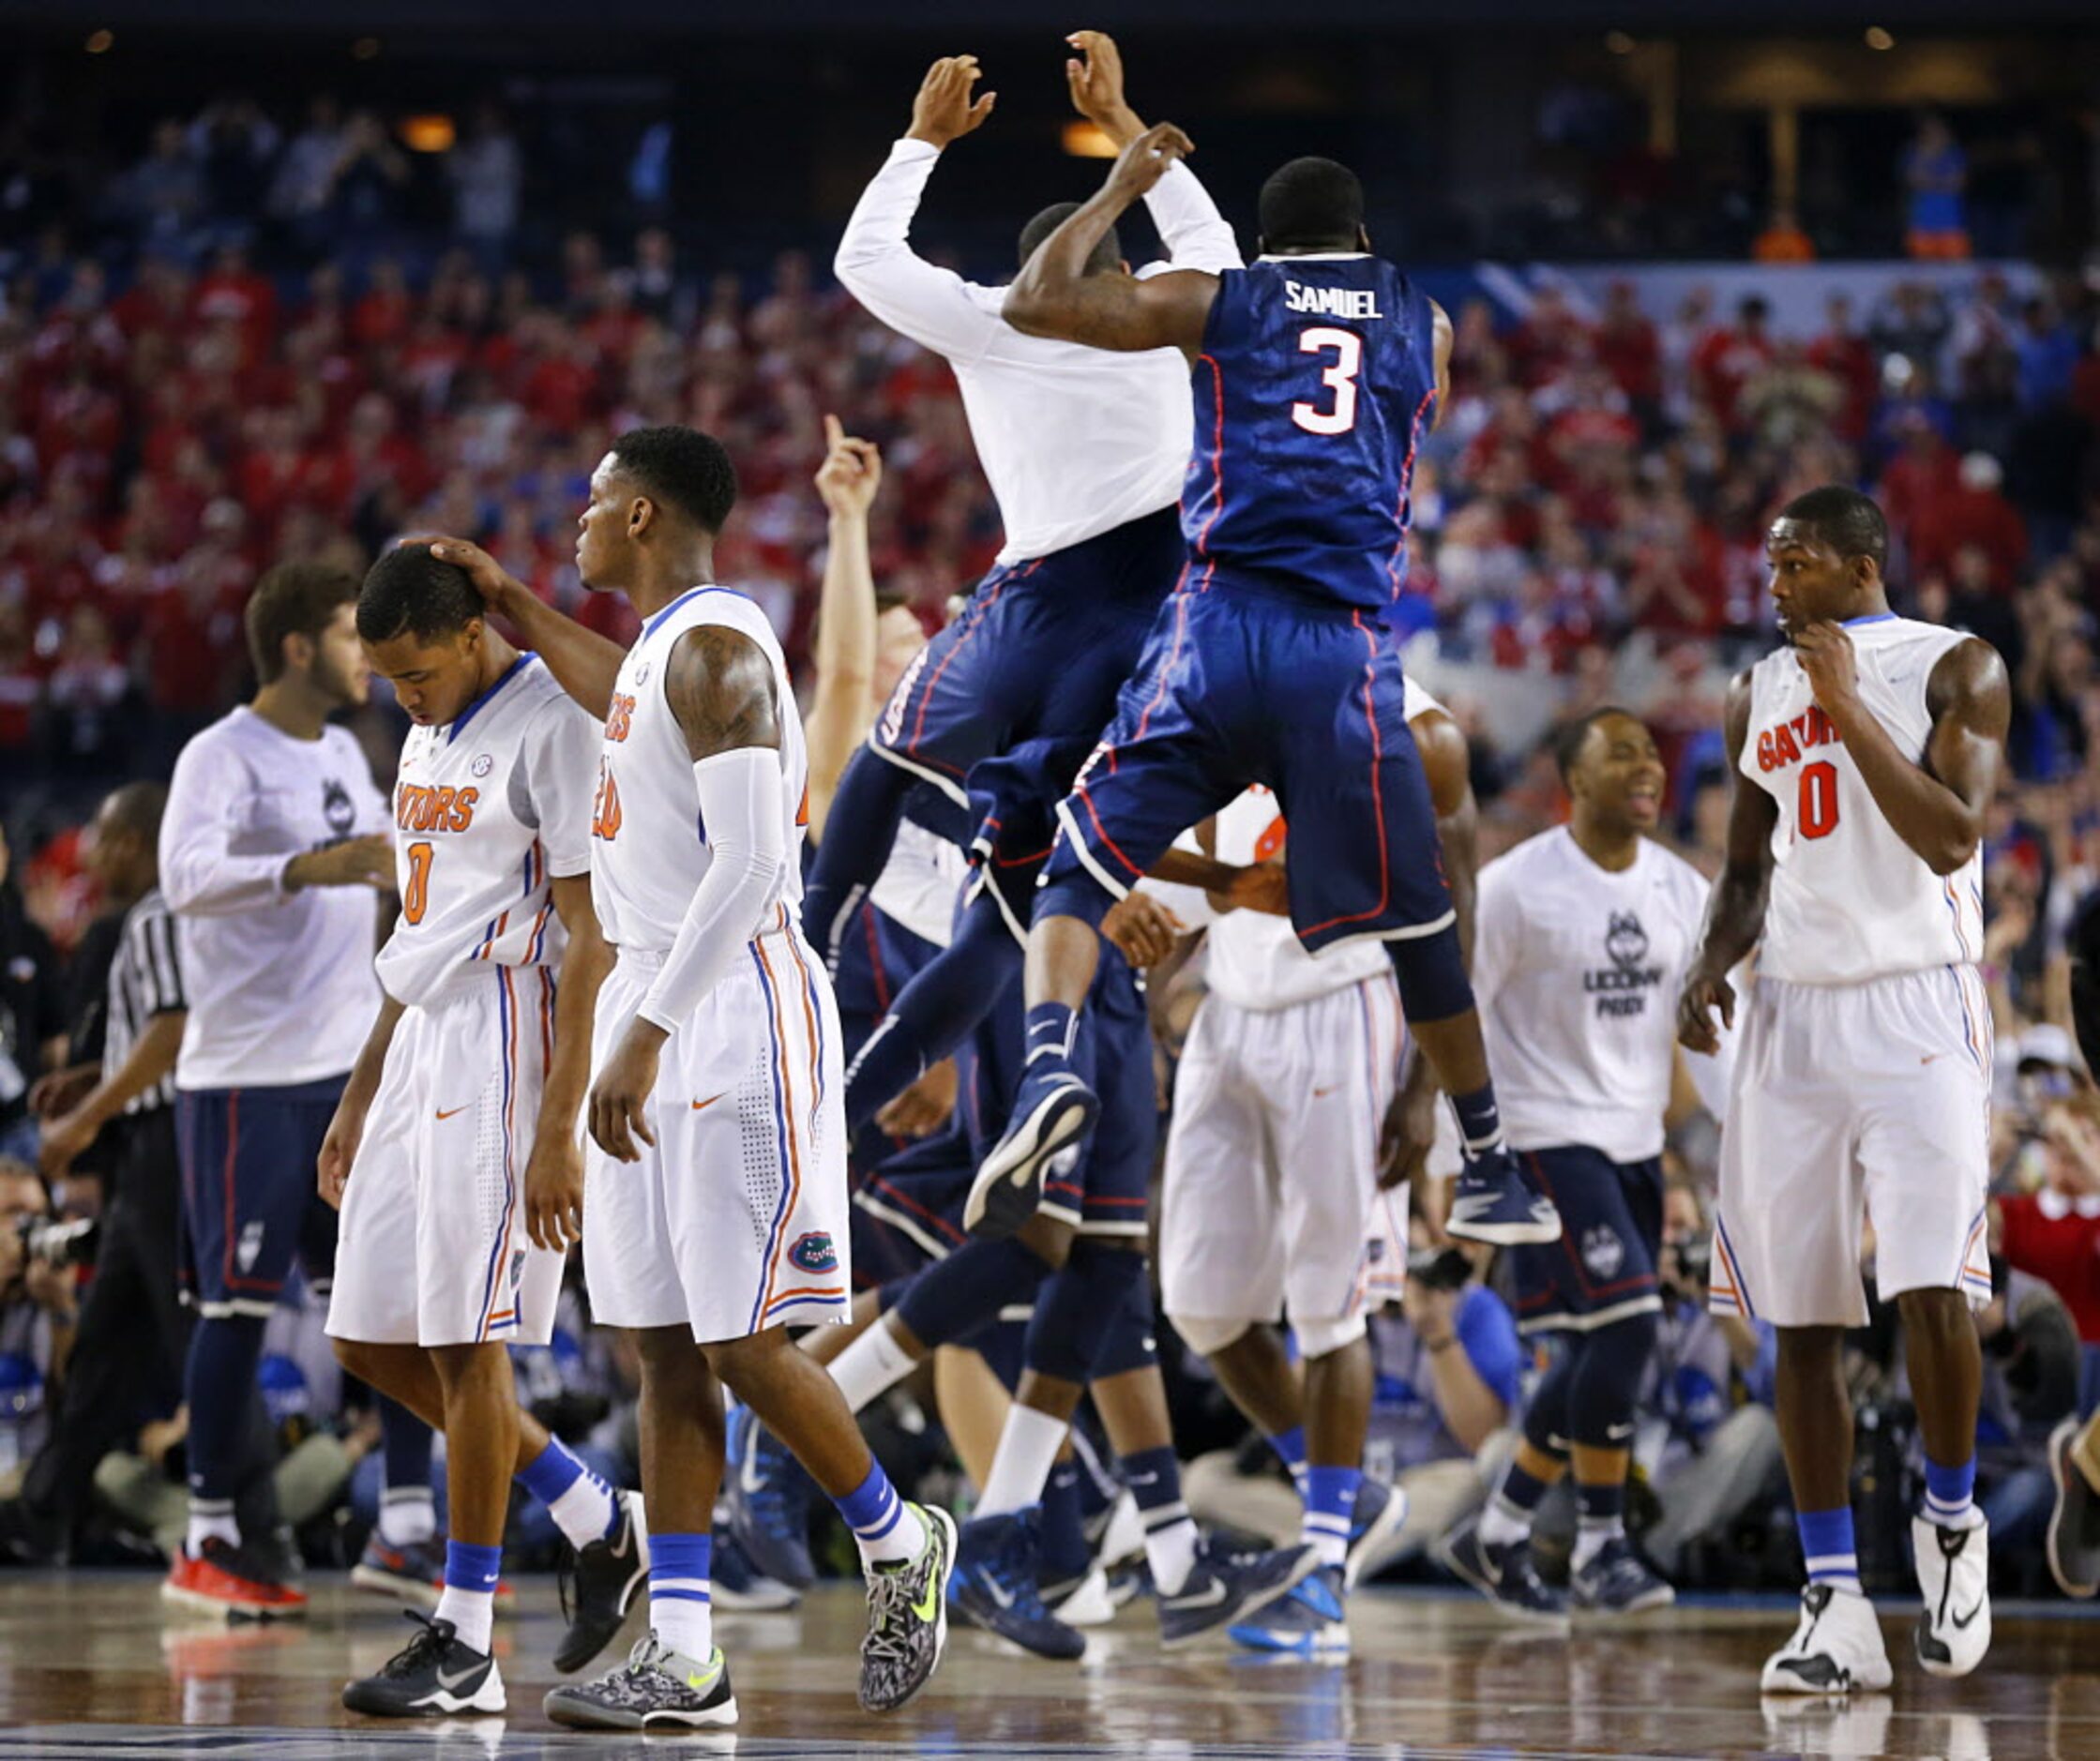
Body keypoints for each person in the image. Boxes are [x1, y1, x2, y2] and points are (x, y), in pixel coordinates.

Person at [425, 423, 953, 1731]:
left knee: (739, 1339)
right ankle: (687, 1652)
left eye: (596, 506)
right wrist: (512, 601)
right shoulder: (661, 657)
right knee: (658, 1344)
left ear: (647, 515)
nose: (580, 523)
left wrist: (646, 1028)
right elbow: (622, 696)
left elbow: (756, 868)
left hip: (727, 1009)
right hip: (658, 1006)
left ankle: (899, 1542)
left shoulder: (720, 646)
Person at [974, 130, 1549, 1251]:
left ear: (1267, 242)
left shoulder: (1223, 301)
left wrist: (1122, 187)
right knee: (1419, 916)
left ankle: (1049, 1069)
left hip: (1218, 622)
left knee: (1075, 873)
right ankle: (1487, 1157)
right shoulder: (1423, 324)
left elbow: (1033, 304)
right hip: (1342, 645)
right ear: (1364, 239)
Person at [808, 36, 1246, 1126]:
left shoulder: (999, 315)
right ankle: (875, 1110)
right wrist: (1122, 122)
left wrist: (919, 141)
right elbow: (1212, 244)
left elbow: (864, 262)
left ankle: (804, 952)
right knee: (1004, 915)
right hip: (1152, 628)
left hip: (1036, 606)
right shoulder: (1158, 311)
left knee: (887, 759)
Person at [1679, 485, 2009, 1693]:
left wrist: (1845, 708)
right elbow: (1745, 863)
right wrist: (1707, 965)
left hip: (1916, 1001)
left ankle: (1954, 1524)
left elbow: (1952, 836)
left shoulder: (1954, 665)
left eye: (1795, 565)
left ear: (1861, 564)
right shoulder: (1749, 690)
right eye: (1768, 568)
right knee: (1801, 1316)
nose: (1772, 588)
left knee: (1931, 1289)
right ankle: (1833, 1605)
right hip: (1791, 1014)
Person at [319, 544, 642, 1716]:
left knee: (467, 1350)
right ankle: (596, 1514)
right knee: (365, 1334)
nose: (402, 693)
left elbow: (591, 939)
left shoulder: (553, 722)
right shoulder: (423, 729)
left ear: (470, 635)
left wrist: (559, 1127)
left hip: (511, 1036)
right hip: (420, 1034)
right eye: (386, 676)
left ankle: (466, 1640)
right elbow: (415, 924)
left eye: (416, 670)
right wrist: (362, 1091)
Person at [1154, 679, 1476, 1654]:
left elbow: (1451, 912)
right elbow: (1200, 882)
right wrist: (1170, 988)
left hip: (1349, 1008)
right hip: (1230, 1011)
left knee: (1330, 1305)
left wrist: (1426, 1086)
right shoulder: (1213, 698)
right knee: (1201, 1306)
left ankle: (1326, 1567)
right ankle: (1346, 1491)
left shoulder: (1415, 729)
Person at [158, 561, 432, 1620]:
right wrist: (316, 866)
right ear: (297, 649)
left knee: (395, 1298)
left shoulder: (347, 755)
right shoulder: (218, 755)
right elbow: (185, 877)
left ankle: (404, 1526)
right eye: (350, 635)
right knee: (236, 1306)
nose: (368, 653)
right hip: (245, 1081)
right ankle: (209, 1533)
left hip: (346, 1073)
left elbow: (384, 873)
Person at [1439, 709, 1718, 1624]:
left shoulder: (1680, 888)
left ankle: (1500, 1528)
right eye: (1621, 754)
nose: (1646, 767)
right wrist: (1458, 1158)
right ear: (1574, 780)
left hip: (1637, 1140)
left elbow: (1707, 1024)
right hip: (1544, 1138)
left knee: (1603, 1339)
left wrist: (1734, 1132)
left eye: (1650, 752)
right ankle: (1602, 1546)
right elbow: (1457, 1016)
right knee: (1631, 1323)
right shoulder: (1515, 887)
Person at [2, 786, 189, 1559]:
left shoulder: (136, 923)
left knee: (195, 1342)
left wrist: (81, 1116)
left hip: (160, 1154)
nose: (90, 856)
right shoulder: (168, 919)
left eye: (106, 841)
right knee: (110, 1347)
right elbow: (124, 1044)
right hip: (146, 1157)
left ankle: (240, 1522)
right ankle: (44, 1508)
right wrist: (87, 1087)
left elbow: (168, 1034)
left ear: (139, 844)